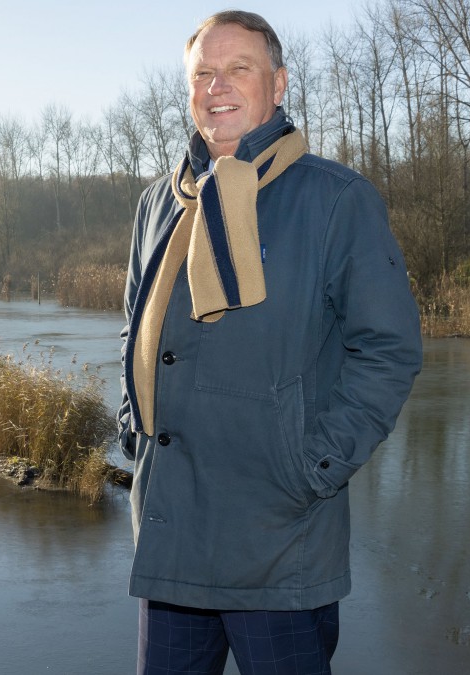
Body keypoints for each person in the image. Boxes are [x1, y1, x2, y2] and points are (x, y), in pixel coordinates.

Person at [117, 10, 422, 674]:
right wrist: (132, 425)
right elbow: (133, 323)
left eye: (238, 69)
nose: (216, 86)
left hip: (278, 541)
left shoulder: (336, 200)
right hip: (173, 541)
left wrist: (311, 469)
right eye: (203, 72)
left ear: (278, 84)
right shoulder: (159, 204)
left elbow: (389, 349)